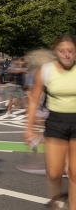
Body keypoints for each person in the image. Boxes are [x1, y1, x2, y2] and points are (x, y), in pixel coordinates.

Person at [26, 34, 76, 209]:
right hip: (55, 123)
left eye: (70, 51)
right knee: (54, 174)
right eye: (62, 51)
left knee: (75, 173)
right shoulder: (46, 71)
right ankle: (55, 202)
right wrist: (29, 128)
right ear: (56, 51)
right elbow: (34, 100)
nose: (67, 55)